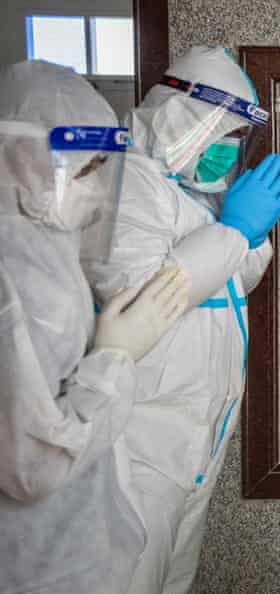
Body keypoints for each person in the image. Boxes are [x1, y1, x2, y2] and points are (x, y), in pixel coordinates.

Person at [83, 46, 280, 594]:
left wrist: (245, 229)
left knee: (171, 580)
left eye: (235, 140)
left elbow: (235, 282)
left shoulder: (191, 192)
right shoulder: (125, 183)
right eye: (223, 136)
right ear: (187, 118)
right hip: (140, 441)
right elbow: (137, 296)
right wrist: (233, 231)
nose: (229, 153)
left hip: (193, 438)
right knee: (130, 577)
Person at [0, 60, 190, 593]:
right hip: (41, 569)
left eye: (103, 169)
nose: (99, 192)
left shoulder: (45, 252)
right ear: (18, 157)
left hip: (77, 554)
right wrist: (113, 360)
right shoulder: (15, 278)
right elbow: (32, 466)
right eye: (84, 171)